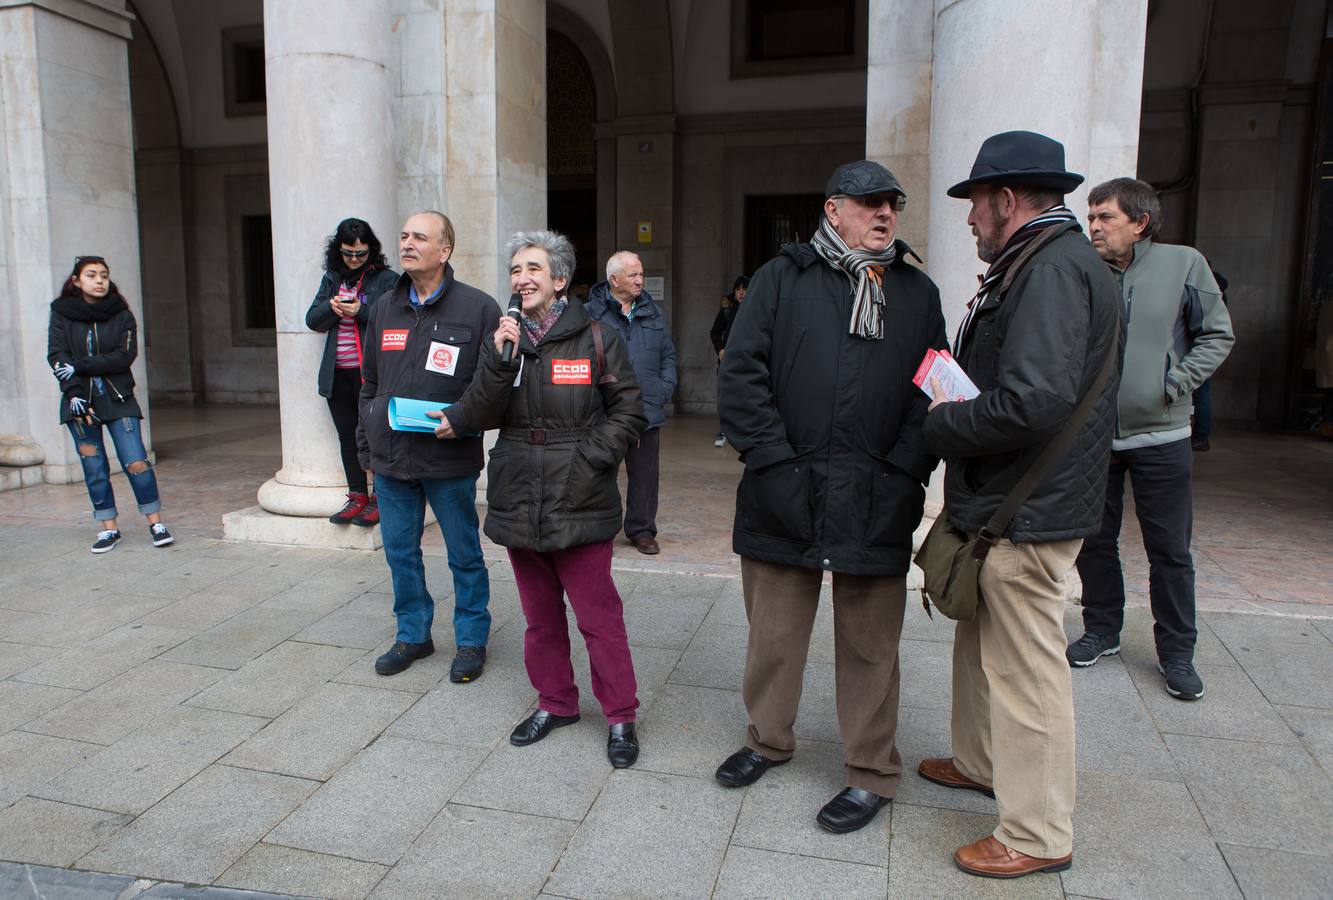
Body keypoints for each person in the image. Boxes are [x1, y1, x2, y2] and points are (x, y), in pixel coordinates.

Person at [714, 161, 947, 835]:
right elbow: (743, 375)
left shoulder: (915, 291)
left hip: (877, 492)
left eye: (891, 205)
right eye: (868, 203)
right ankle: (767, 739)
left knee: (872, 643)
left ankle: (870, 772)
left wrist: (906, 469)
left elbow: (928, 391)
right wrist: (774, 464)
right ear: (831, 210)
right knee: (774, 634)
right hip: (784, 486)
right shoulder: (780, 279)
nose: (883, 215)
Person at [921, 131, 1121, 878]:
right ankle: (979, 762)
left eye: (974, 203)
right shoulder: (1042, 260)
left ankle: (1036, 833)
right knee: (982, 639)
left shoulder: (1048, 270)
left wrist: (941, 424)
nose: (969, 219)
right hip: (1014, 497)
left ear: (1005, 201)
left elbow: (1033, 401)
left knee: (1027, 671)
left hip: (1028, 508)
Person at [435, 230, 647, 768]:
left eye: (532, 268)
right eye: (514, 270)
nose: (520, 279)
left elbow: (628, 411)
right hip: (519, 492)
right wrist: (501, 361)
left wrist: (590, 458)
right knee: (539, 616)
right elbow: (479, 414)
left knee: (599, 616)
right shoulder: (502, 341)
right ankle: (556, 702)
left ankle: (620, 714)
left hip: (580, 494)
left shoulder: (597, 336)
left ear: (558, 280)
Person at [1069, 178, 1234, 701]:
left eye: (1106, 217)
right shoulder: (1082, 268)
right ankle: (1101, 630)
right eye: (1091, 216)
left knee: (1169, 549)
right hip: (1095, 435)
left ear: (1140, 222)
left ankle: (1177, 653)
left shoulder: (1183, 263)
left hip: (1161, 434)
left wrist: (1174, 382)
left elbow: (1218, 334)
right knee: (1094, 539)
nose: (1093, 226)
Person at [356, 211, 495, 682]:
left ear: (445, 249)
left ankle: (472, 639)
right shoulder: (383, 309)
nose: (408, 243)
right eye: (404, 236)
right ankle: (413, 634)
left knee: (463, 552)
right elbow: (370, 382)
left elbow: (493, 384)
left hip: (448, 457)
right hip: (392, 456)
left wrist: (463, 418)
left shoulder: (478, 309)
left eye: (420, 236)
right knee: (399, 550)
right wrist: (366, 446)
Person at [47, 256, 174, 553]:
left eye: (104, 275)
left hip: (119, 398)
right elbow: (57, 356)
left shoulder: (121, 313)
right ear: (77, 281)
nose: (100, 280)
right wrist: (73, 391)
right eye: (91, 275)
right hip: (80, 404)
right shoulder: (61, 313)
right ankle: (109, 528)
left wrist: (78, 366)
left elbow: (124, 356)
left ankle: (156, 522)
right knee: (94, 467)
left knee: (136, 461)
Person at [305, 218, 398, 526]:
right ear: (339, 251)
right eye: (348, 254)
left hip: (370, 375)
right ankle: (357, 495)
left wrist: (362, 311)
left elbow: (396, 322)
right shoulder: (332, 279)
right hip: (338, 374)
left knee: (374, 438)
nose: (355, 260)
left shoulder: (386, 279)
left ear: (371, 249)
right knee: (347, 437)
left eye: (361, 253)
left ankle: (380, 498)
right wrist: (332, 307)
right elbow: (312, 321)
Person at [586, 252, 677, 555]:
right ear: (614, 280)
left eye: (641, 274)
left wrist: (664, 388)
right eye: (632, 275)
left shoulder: (652, 312)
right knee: (600, 472)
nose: (640, 280)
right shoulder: (591, 314)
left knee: (645, 476)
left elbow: (668, 355)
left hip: (645, 409)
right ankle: (600, 528)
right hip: (605, 412)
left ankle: (641, 529)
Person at [1190, 266, 1228, 452]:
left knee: (1201, 394)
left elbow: (1218, 333)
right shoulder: (1216, 288)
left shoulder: (1204, 287)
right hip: (1198, 350)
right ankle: (1200, 435)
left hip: (1195, 351)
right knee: (1201, 394)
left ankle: (1201, 436)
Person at [709, 275, 748, 447]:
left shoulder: (756, 308)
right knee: (727, 395)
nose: (741, 292)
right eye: (738, 289)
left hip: (748, 360)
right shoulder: (727, 310)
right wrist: (720, 350)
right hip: (728, 360)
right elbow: (715, 333)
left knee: (747, 395)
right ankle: (725, 430)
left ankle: (744, 430)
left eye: (744, 289)